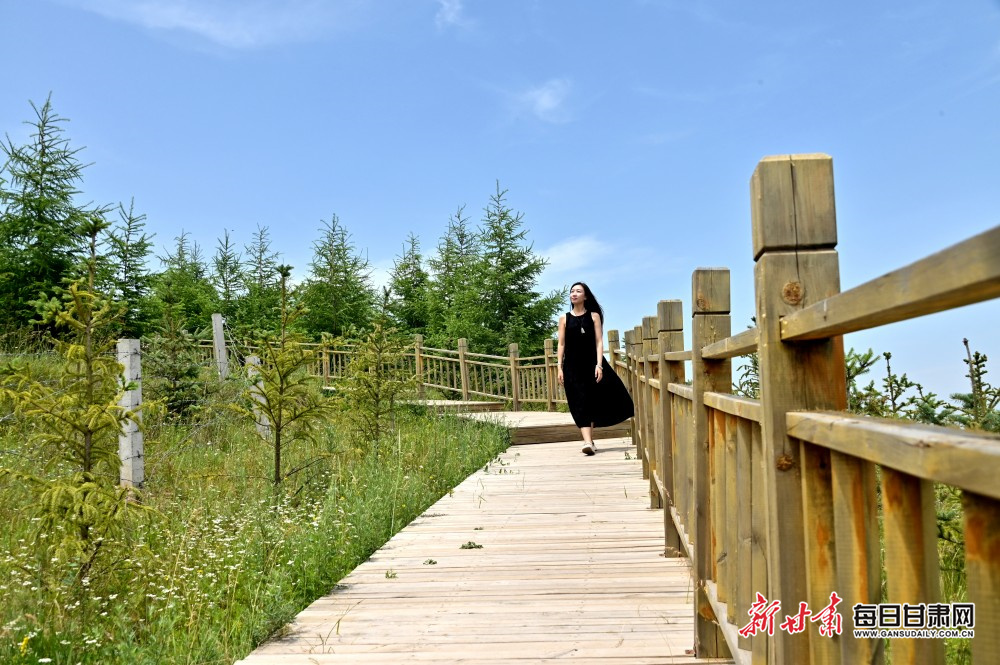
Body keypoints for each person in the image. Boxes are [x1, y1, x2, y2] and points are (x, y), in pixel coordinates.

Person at [557, 282, 634, 455]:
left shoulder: (594, 316)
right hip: (572, 366)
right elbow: (561, 344)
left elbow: (599, 342)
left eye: (578, 291)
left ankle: (589, 441)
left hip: (592, 364)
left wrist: (599, 365)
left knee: (592, 399)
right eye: (572, 291)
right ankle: (587, 442)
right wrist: (559, 367)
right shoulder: (564, 318)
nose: (574, 294)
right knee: (578, 401)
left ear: (585, 296)